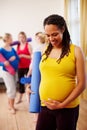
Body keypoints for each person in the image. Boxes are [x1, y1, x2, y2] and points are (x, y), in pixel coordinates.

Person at [35, 14, 86, 130]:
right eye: (47, 35)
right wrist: (31, 87)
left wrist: (62, 104)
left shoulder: (76, 51)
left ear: (63, 29)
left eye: (54, 34)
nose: (51, 39)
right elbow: (42, 75)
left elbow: (82, 83)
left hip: (67, 108)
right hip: (45, 105)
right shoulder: (44, 51)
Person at [26, 32, 48, 122]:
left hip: (37, 74)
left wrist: (29, 73)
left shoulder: (37, 48)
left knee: (32, 93)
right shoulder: (47, 47)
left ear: (38, 39)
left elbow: (33, 64)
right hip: (45, 74)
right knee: (40, 93)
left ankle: (36, 117)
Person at [0, 33, 19, 114]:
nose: (12, 39)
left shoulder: (12, 48)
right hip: (7, 72)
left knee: (12, 88)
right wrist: (5, 63)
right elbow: (1, 62)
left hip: (14, 71)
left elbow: (17, 57)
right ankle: (12, 107)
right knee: (12, 90)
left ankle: (9, 105)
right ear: (7, 39)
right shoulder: (1, 50)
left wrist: (16, 59)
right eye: (11, 38)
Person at [16, 31, 32, 104]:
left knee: (29, 83)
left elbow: (32, 57)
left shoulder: (28, 45)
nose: (21, 39)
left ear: (25, 38)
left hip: (27, 67)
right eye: (20, 37)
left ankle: (30, 99)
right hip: (20, 67)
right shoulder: (18, 46)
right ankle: (20, 98)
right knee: (20, 83)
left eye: (22, 37)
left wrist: (23, 55)